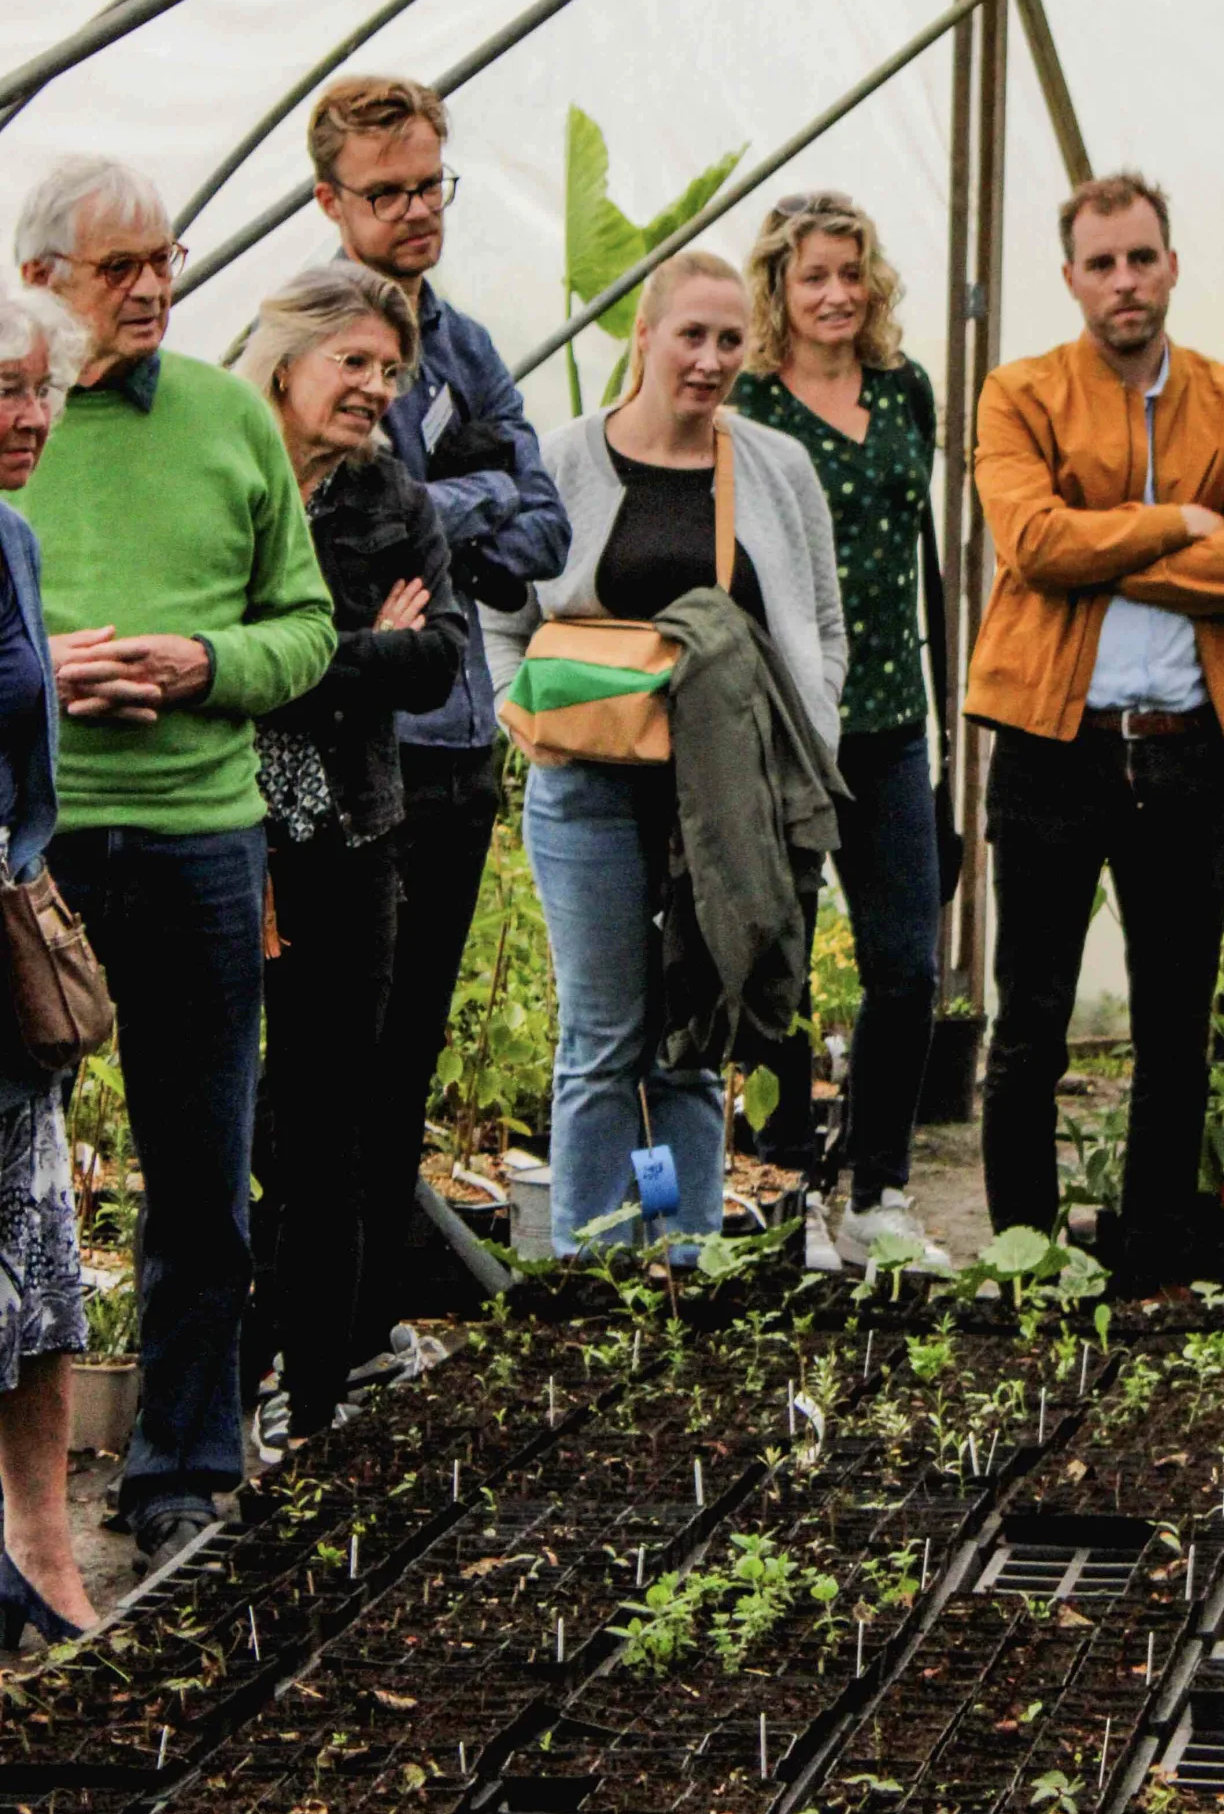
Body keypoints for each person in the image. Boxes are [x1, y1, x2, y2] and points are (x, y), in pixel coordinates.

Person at [15, 158, 336, 1567]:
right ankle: (26, 1501)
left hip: (204, 833)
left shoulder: (226, 420)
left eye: (166, 259)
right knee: (14, 1170)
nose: (152, 289)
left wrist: (210, 665)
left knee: (202, 1164)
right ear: (43, 285)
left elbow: (309, 627)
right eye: (118, 269)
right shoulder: (14, 431)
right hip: (38, 847)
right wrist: (48, 676)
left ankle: (183, 1471)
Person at [484, 251, 843, 1257]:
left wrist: (796, 748)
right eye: (691, 334)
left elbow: (820, 623)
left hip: (720, 801)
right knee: (603, 1042)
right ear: (642, 337)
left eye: (730, 340)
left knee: (690, 1042)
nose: (711, 358)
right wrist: (520, 707)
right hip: (589, 788)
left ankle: (679, 1252)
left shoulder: (774, 466)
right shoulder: (560, 460)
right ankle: (594, 1267)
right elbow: (496, 614)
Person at [967, 172, 1224, 1287]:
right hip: (1052, 744)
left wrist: (1108, 545)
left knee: (1176, 1027)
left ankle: (1150, 1261)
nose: (1122, 281)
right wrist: (1170, 524)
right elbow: (1032, 545)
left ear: (1170, 265)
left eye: (1140, 258)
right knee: (1031, 1025)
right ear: (1069, 277)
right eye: (1100, 263)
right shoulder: (1017, 393)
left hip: (1189, 745)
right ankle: (1023, 1258)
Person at [309, 75, 570, 1369]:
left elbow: (547, 520)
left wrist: (439, 510)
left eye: (431, 186)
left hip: (460, 744)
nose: (417, 211)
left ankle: (362, 1335)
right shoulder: (308, 350)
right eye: (388, 190)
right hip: (352, 761)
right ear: (330, 199)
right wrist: (460, 499)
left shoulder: (463, 345)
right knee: (328, 1062)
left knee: (403, 1054)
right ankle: (308, 1341)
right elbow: (342, 531)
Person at [235, 266, 465, 1447]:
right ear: (286, 363)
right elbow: (218, 655)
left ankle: (313, 1399)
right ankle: (221, 1394)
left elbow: (439, 656)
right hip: (229, 841)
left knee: (331, 1123)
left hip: (354, 840)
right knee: (233, 1126)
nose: (375, 387)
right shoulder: (227, 479)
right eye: (353, 364)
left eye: (389, 368)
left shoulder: (392, 497)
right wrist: (346, 645)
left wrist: (308, 661)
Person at [734, 193, 952, 1273]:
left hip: (889, 720)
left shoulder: (905, 388)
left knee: (907, 963)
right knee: (776, 960)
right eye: (812, 275)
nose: (834, 294)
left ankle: (881, 1191)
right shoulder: (745, 401)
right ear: (776, 286)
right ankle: (786, 1195)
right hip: (782, 721)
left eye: (849, 273)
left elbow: (922, 552)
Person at [0, 280, 101, 1647]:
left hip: (0, 952)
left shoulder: (11, 537)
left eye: (39, 389)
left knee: (37, 1271)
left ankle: (43, 1546)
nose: (26, 417)